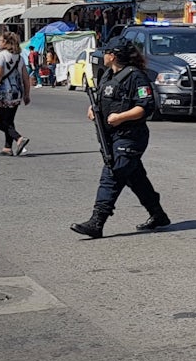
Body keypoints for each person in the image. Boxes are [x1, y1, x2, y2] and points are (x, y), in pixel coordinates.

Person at [70, 37, 169, 239]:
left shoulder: (135, 77)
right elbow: (102, 100)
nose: (103, 55)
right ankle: (158, 215)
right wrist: (93, 109)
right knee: (135, 178)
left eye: (106, 52)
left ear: (113, 55)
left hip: (130, 136)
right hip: (111, 136)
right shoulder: (108, 75)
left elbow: (145, 107)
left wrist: (120, 117)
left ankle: (97, 222)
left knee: (112, 175)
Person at [0, 32, 32, 157]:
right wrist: (27, 94)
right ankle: (7, 148)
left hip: (3, 93)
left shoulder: (0, 56)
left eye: (0, 40)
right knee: (9, 120)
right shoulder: (19, 58)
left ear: (7, 42)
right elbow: (26, 78)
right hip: (16, 93)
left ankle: (19, 139)